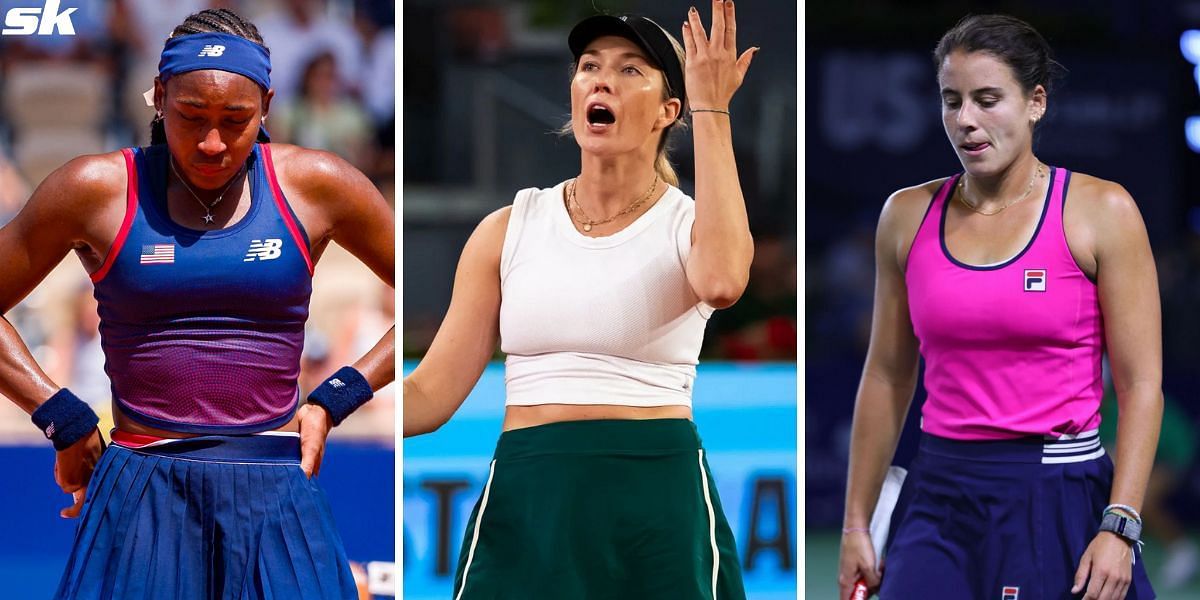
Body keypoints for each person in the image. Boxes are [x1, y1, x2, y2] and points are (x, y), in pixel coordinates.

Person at [0, 8, 394, 599]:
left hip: (278, 488)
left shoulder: (319, 183)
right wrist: (64, 417)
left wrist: (335, 399)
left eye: (235, 120)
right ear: (158, 97)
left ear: (266, 102)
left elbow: (445, 295)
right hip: (140, 489)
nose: (212, 143)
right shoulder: (93, 188)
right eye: (190, 117)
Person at [403, 2, 758, 598]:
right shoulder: (507, 229)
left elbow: (723, 282)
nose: (600, 79)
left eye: (629, 70)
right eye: (589, 66)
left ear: (669, 110)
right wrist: (331, 408)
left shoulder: (689, 226)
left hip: (654, 505)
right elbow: (430, 395)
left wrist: (713, 109)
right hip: (529, 499)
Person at [837, 14, 1161, 600]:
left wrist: (1121, 522)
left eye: (988, 100)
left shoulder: (1102, 210)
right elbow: (886, 374)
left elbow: (1141, 384)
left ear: (1035, 101)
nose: (966, 121)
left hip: (1057, 492)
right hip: (939, 493)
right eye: (951, 100)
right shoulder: (905, 216)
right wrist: (857, 521)